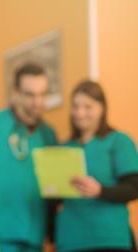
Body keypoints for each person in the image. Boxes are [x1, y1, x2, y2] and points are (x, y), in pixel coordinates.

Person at [0, 63, 57, 252]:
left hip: (35, 238)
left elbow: (52, 190)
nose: (37, 102)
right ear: (15, 93)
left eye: (42, 94)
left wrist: (50, 233)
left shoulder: (48, 134)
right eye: (30, 94)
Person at [54, 80, 138, 252]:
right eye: (75, 106)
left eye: (88, 106)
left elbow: (134, 187)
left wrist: (100, 191)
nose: (80, 113)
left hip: (109, 239)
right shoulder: (63, 148)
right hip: (70, 241)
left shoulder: (119, 142)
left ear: (102, 108)